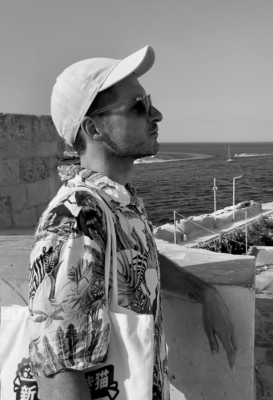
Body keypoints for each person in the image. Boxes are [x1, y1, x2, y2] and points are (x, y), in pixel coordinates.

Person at [28, 45, 237, 400]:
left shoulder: (117, 203)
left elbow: (136, 261)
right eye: (138, 107)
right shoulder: (75, 217)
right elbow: (56, 371)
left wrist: (202, 292)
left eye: (148, 102)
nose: (156, 114)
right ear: (93, 128)